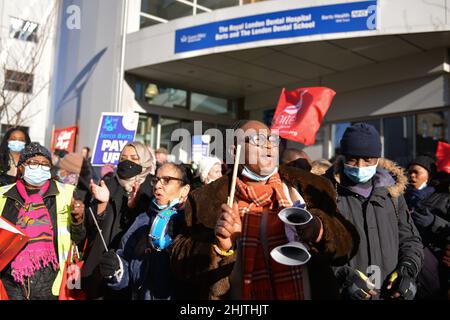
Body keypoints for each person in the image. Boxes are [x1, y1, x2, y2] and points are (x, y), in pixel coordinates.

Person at [171, 120, 359, 300]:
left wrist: (319, 230)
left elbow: (348, 245)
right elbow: (179, 264)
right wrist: (220, 247)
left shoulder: (311, 186)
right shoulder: (205, 199)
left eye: (272, 139)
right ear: (235, 150)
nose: (269, 146)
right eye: (257, 140)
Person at [324, 123, 424, 300]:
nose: (360, 166)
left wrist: (407, 271)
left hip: (388, 293)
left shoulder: (393, 193)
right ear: (342, 156)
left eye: (367, 159)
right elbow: (316, 246)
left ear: (377, 158)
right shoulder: (326, 192)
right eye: (353, 159)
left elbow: (410, 239)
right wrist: (343, 276)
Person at [0, 142, 85, 300]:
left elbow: (78, 239)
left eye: (45, 164)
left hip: (50, 283)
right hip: (9, 284)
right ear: (21, 167)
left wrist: (77, 219)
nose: (40, 167)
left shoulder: (66, 194)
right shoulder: (3, 195)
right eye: (33, 163)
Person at [98, 163, 190, 300]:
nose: (158, 185)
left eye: (166, 180)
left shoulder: (191, 223)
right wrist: (116, 269)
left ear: (184, 190)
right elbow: (126, 266)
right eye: (156, 180)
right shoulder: (142, 219)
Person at [82, 141, 155, 299]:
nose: (127, 162)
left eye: (134, 158)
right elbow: (92, 226)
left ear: (144, 161)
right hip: (101, 265)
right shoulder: (109, 183)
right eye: (123, 157)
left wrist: (133, 207)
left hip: (132, 266)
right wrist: (102, 203)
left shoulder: (152, 187)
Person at [405, 155, 450, 299]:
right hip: (408, 260)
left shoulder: (443, 198)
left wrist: (433, 222)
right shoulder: (401, 198)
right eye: (409, 172)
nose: (412, 175)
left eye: (417, 172)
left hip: (435, 264)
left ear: (429, 176)